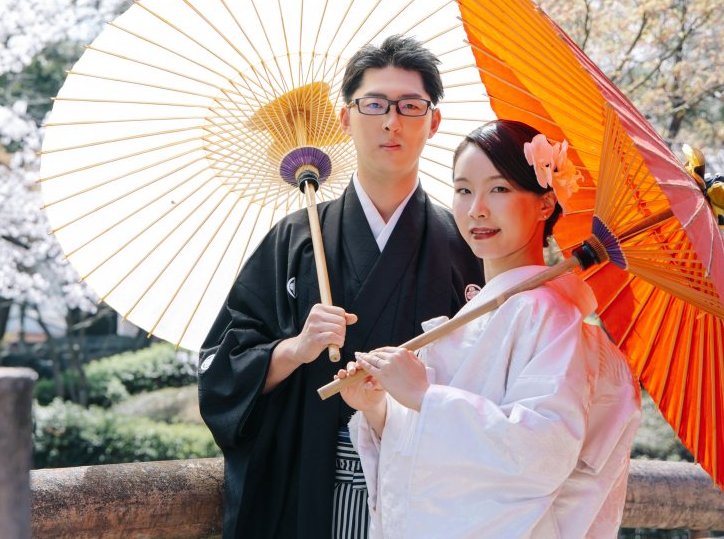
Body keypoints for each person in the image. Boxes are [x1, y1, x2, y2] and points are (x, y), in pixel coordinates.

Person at [198, 35, 484, 539]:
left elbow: (485, 384)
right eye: (373, 104)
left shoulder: (462, 245)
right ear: (345, 119)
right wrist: (294, 349)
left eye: (410, 106)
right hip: (306, 483)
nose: (391, 121)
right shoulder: (293, 239)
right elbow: (221, 371)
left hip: (422, 491)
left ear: (433, 122)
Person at [339, 119, 642, 538]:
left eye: (498, 189)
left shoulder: (551, 312)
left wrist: (425, 396)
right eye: (463, 189)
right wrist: (380, 408)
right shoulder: (493, 308)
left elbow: (542, 448)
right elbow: (433, 449)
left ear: (544, 202)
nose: (476, 207)